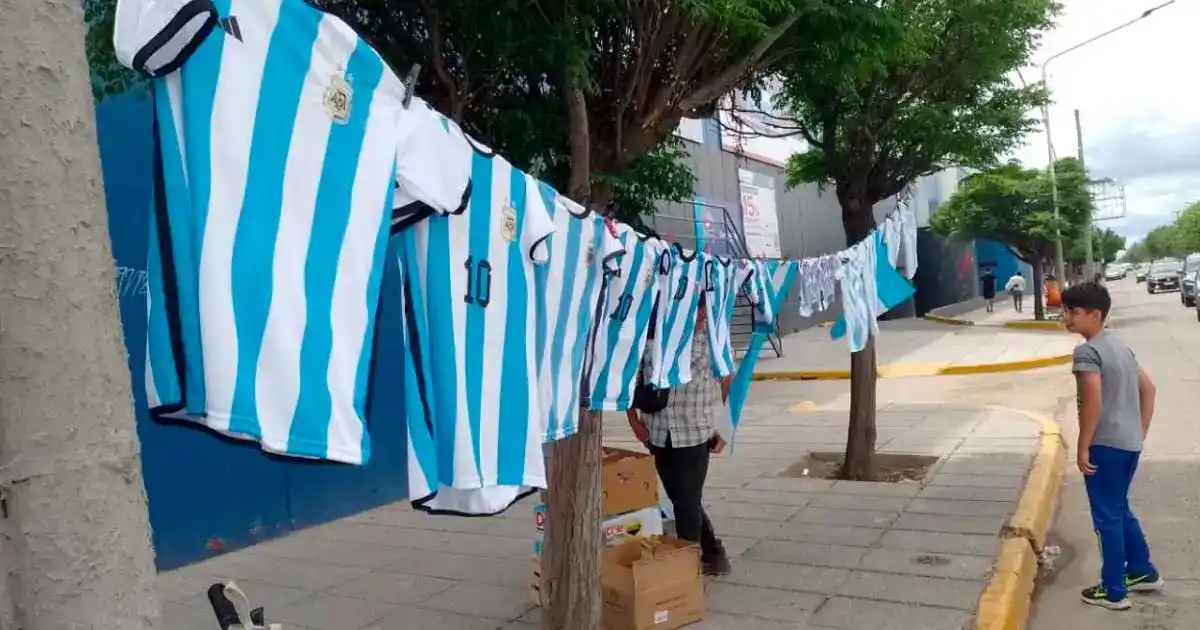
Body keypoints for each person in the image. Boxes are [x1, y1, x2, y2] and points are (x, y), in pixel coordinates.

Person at [1061, 282, 1162, 610]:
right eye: (1065, 310)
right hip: (1128, 444)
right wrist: (1139, 431)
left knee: (1106, 518)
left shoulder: (1087, 352)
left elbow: (1092, 401)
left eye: (1073, 312)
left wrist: (1083, 446)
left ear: (1095, 314)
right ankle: (1142, 571)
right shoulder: (1118, 344)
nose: (1066, 317)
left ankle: (1114, 590)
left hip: (1105, 445)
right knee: (1120, 510)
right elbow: (1149, 389)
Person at [627, 293, 732, 576]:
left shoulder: (714, 339)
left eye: (702, 311)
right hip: (658, 431)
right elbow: (631, 378)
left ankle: (689, 572)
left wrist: (724, 428)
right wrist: (633, 422)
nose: (699, 317)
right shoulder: (654, 337)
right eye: (695, 311)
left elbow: (729, 382)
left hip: (695, 432)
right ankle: (714, 553)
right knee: (682, 499)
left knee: (686, 504)